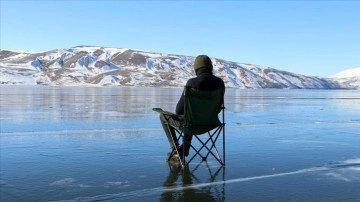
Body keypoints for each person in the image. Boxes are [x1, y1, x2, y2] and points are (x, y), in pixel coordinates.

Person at [160, 55, 225, 159]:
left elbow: (179, 110)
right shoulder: (220, 83)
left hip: (191, 125)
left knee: (164, 116)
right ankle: (185, 149)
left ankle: (176, 149)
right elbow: (218, 108)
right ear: (210, 67)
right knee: (190, 116)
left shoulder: (192, 83)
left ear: (196, 68)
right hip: (211, 123)